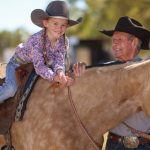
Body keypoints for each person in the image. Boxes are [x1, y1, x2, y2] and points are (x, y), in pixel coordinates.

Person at [0, 0, 82, 102]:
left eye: (63, 25)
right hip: (18, 64)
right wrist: (55, 77)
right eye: (55, 23)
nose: (59, 28)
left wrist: (60, 73)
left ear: (67, 26)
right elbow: (40, 67)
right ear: (46, 23)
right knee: (11, 89)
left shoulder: (63, 41)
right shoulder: (36, 40)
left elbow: (59, 60)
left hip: (36, 66)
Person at [99, 16, 150, 150]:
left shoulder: (147, 72)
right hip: (113, 143)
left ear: (133, 42)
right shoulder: (103, 70)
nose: (114, 44)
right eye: (113, 40)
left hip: (142, 145)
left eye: (119, 40)